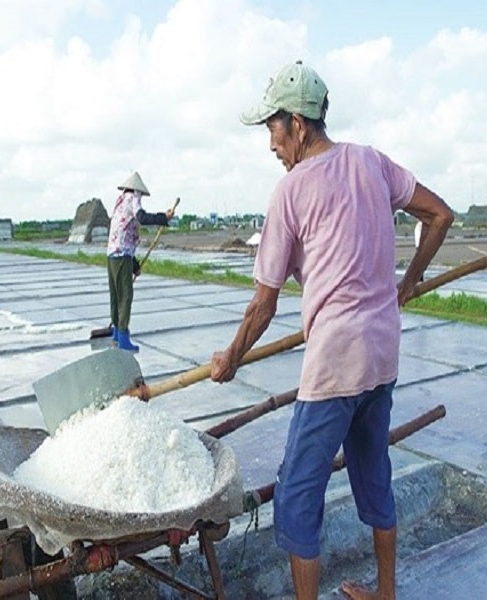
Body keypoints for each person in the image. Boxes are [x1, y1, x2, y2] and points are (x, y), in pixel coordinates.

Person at [210, 61, 454, 599]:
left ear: (297, 123)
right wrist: (407, 284)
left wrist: (229, 357)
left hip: (335, 365)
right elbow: (439, 215)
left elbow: (263, 305)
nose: (270, 144)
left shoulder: (291, 192)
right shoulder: (372, 163)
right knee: (374, 472)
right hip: (382, 357)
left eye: (272, 129)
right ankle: (386, 594)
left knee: (298, 493)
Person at [106, 171, 174, 352]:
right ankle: (123, 338)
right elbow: (142, 218)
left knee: (116, 294)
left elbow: (124, 232)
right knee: (125, 297)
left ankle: (115, 334)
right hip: (121, 254)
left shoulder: (120, 201)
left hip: (113, 254)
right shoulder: (132, 198)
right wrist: (163, 218)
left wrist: (134, 266)